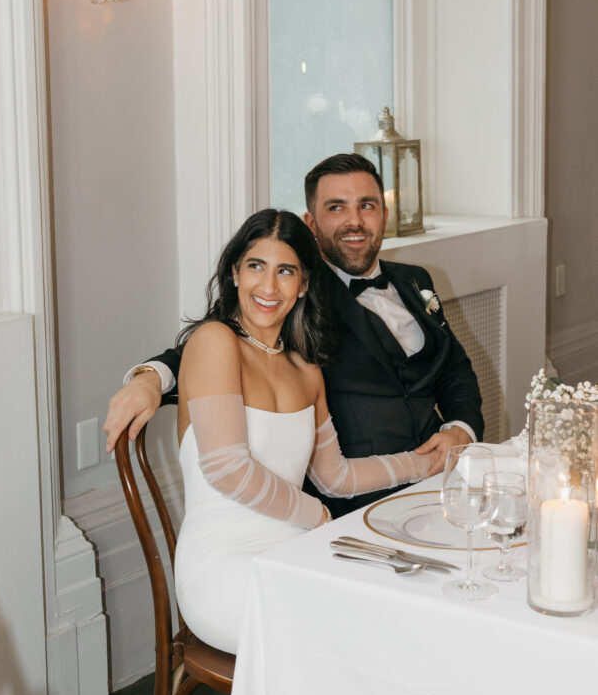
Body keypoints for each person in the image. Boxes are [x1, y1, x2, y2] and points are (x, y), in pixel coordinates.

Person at [105, 153, 484, 518]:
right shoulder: (293, 295)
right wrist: (151, 377)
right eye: (336, 208)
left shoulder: (415, 279)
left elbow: (454, 368)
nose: (354, 221)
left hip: (439, 477)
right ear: (311, 223)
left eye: (366, 206)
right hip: (353, 501)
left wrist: (459, 429)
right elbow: (223, 340)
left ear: (384, 215)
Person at [170, 208, 439, 653]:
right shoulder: (214, 341)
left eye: (286, 271)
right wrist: (317, 517)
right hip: (222, 564)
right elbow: (226, 469)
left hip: (298, 550)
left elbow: (335, 477)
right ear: (235, 272)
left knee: (405, 604)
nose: (269, 287)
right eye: (256, 266)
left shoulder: (305, 367)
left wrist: (422, 463)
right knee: (348, 635)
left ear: (305, 284)